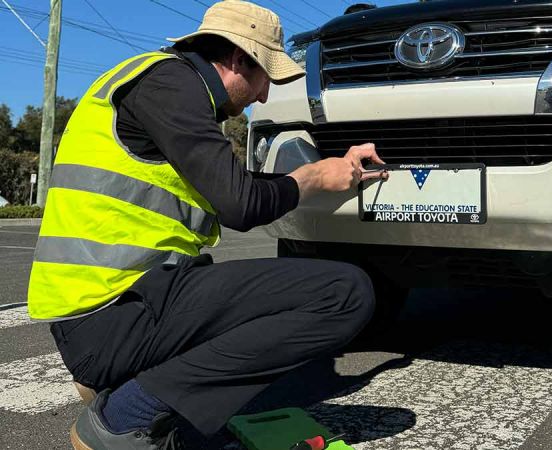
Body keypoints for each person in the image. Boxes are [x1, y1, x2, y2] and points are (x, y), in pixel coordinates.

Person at [26, 1, 387, 448]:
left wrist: (328, 172)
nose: (264, 97)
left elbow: (231, 187)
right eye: (264, 79)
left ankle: (126, 384)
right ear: (239, 59)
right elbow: (241, 204)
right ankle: (125, 416)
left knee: (215, 276)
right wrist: (312, 176)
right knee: (344, 293)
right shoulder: (170, 84)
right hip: (112, 316)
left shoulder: (154, 84)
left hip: (113, 311)